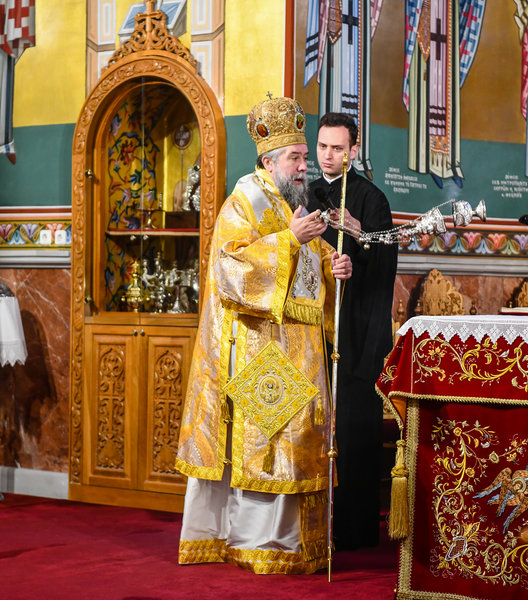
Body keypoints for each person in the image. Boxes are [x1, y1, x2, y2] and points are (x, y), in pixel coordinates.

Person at [175, 95, 353, 575]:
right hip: (256, 348)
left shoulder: (292, 202)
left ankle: (294, 544)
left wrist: (333, 267)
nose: (304, 166)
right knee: (268, 441)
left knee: (297, 440)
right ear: (269, 162)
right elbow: (229, 268)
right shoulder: (244, 202)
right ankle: (256, 542)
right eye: (295, 158)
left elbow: (307, 265)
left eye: (303, 156)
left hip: (297, 346)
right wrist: (291, 241)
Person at [306, 112, 398, 550]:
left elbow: (384, 266)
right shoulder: (305, 194)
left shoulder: (372, 198)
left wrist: (359, 241)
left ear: (354, 150)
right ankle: (312, 525)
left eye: (338, 148)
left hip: (357, 333)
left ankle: (354, 531)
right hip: (314, 330)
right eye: (322, 147)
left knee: (353, 431)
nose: (328, 155)